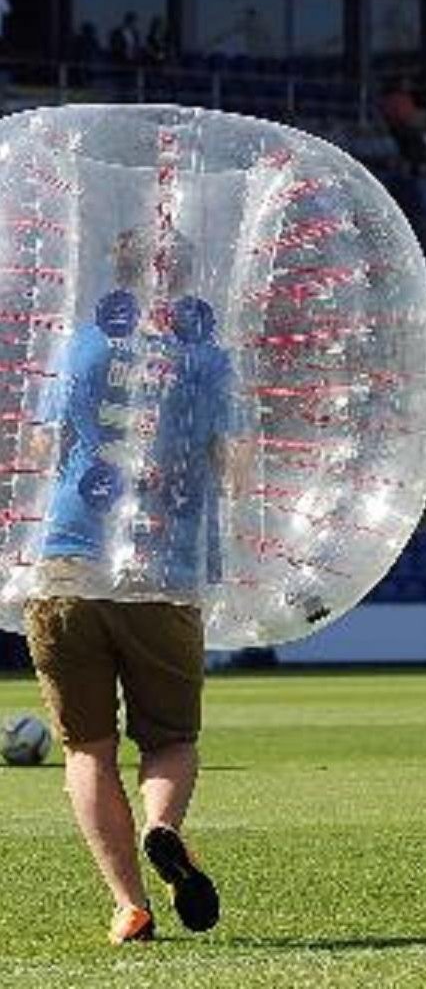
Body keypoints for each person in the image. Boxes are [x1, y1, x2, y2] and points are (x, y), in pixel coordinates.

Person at [23, 228, 230, 945]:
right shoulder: (207, 359)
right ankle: (162, 826)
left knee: (87, 748)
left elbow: (44, 449)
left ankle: (129, 906)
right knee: (170, 738)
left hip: (67, 567)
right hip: (162, 574)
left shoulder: (78, 347)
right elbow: (227, 462)